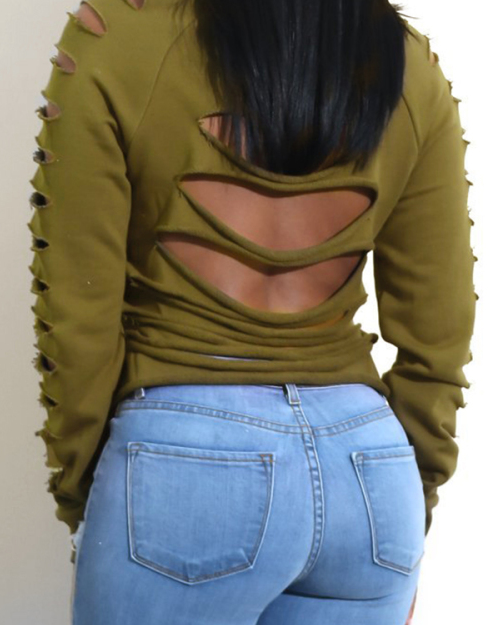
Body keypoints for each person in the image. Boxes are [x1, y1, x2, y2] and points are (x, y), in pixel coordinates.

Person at [29, 0, 476, 623]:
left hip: (182, 467)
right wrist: (402, 505)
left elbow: (77, 315)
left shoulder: (116, 35)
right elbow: (439, 332)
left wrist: (90, 494)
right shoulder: (407, 64)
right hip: (369, 474)